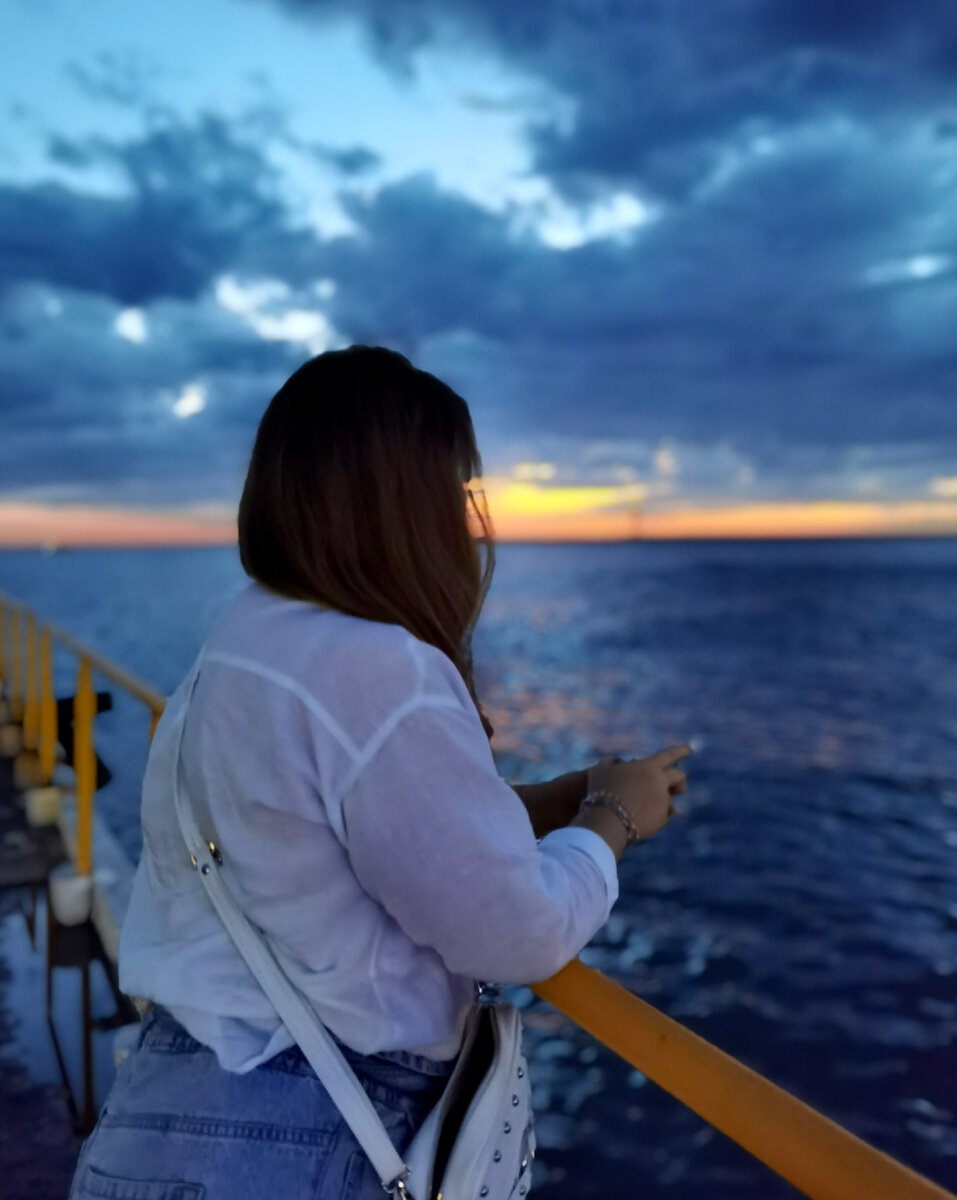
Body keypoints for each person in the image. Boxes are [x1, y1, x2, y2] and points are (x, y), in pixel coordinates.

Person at [68, 345, 690, 1199]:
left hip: (155, 1114)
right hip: (296, 1138)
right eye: (455, 491)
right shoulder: (380, 667)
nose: (466, 521)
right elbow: (518, 934)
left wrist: (552, 801)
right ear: (403, 503)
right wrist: (613, 818)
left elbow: (340, 834)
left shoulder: (238, 647)